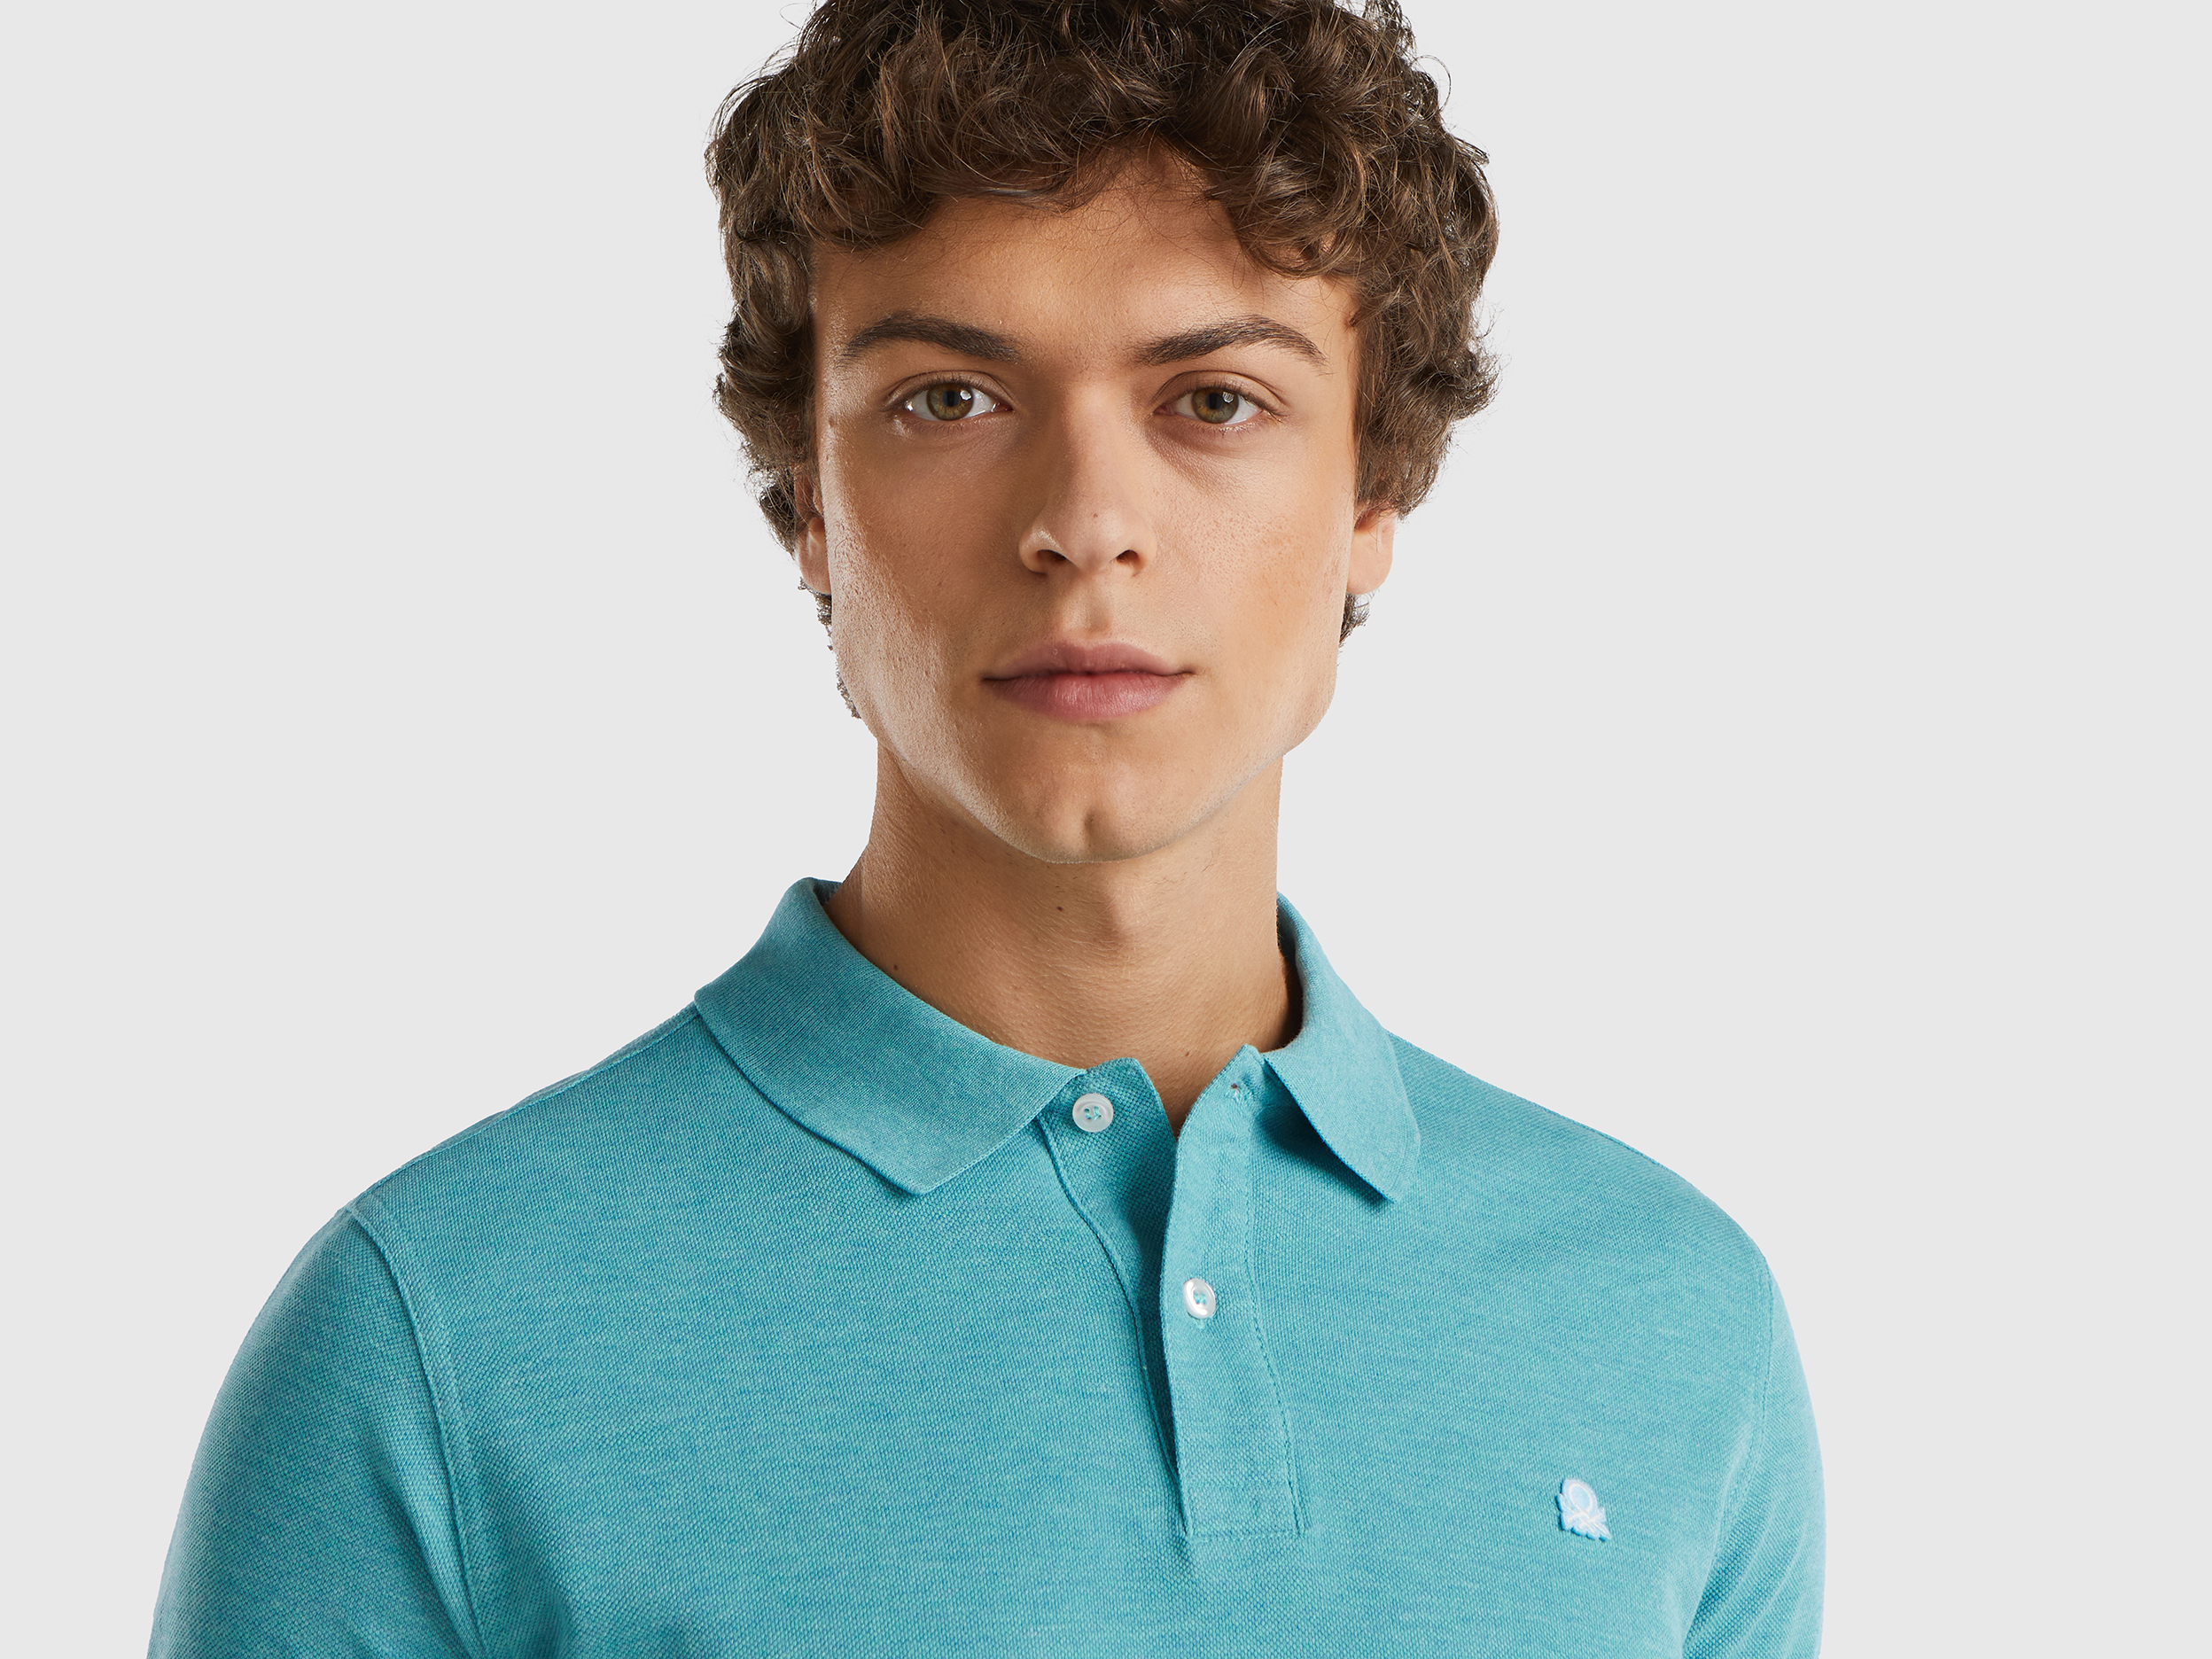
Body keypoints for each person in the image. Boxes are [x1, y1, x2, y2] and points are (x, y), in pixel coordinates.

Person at [151, 2, 1823, 1654]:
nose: (1086, 524)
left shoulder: (1672, 1325)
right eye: (951, 398)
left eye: (1214, 401)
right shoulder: (436, 1348)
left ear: (1372, 494)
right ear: (811, 504)